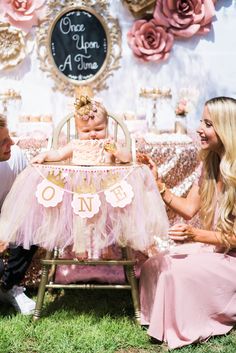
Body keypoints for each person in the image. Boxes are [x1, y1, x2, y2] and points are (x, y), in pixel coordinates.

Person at [140, 96, 236, 349]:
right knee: (155, 264)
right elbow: (188, 208)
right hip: (215, 250)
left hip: (232, 260)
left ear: (226, 127)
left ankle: (186, 322)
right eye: (201, 122)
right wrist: (158, 184)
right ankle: (158, 319)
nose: (199, 129)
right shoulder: (209, 165)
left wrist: (195, 235)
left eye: (208, 124)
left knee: (175, 272)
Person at [0, 114, 37, 315]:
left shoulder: (16, 156)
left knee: (35, 225)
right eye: (3, 141)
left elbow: (28, 201)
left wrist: (8, 228)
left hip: (7, 217)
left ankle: (8, 287)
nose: (12, 143)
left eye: (9, 136)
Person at [31, 95, 131, 165]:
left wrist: (117, 151)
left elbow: (127, 158)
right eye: (86, 131)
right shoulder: (76, 145)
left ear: (106, 125)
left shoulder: (108, 145)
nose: (92, 134)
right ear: (78, 130)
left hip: (106, 184)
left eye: (99, 129)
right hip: (81, 184)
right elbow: (58, 154)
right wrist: (45, 155)